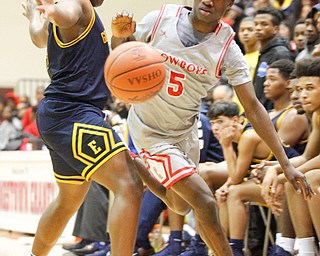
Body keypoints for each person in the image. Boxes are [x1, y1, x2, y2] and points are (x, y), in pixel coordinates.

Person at [111, 1, 313, 255]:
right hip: (151, 130)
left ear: (229, 4)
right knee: (205, 202)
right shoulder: (160, 17)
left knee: (179, 205)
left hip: (185, 131)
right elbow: (121, 56)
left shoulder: (227, 46)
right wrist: (120, 37)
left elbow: (252, 106)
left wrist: (286, 163)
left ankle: (136, 165)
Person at [22, 0, 143, 256]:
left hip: (57, 114)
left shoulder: (68, 15)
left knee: (68, 200)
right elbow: (68, 13)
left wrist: (38, 15)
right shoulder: (77, 3)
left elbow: (37, 38)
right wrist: (57, 12)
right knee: (129, 186)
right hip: (74, 113)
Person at [259, 57, 320, 255]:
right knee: (294, 180)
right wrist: (277, 168)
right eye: (299, 89)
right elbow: (307, 157)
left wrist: (287, 172)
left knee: (308, 178)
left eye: (309, 88)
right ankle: (302, 249)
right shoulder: (317, 115)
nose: (302, 95)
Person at [253, 7, 294, 110]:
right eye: (256, 24)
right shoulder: (265, 52)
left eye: (264, 24)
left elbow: (282, 89)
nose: (258, 27)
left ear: (276, 29)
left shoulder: (281, 53)